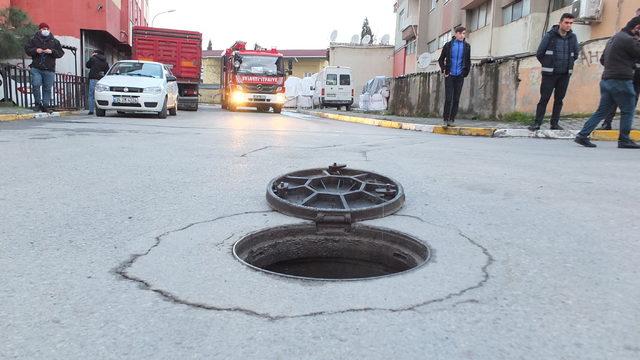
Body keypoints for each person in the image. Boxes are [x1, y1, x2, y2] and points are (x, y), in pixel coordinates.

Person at [575, 16, 640, 149]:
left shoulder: (614, 38)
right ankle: (624, 140)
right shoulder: (628, 40)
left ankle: (582, 135)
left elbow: (603, 60)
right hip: (621, 81)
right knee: (628, 110)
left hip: (606, 80)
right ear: (637, 28)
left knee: (602, 111)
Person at [528, 13, 579, 131]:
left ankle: (554, 124)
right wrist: (547, 65)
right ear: (560, 22)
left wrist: (568, 66)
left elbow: (575, 54)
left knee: (559, 100)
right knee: (544, 99)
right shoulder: (550, 35)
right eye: (566, 22)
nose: (568, 25)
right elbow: (540, 53)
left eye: (571, 23)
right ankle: (537, 124)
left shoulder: (573, 37)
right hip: (549, 75)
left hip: (565, 74)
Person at [599, 7, 640, 130]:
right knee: (614, 100)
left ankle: (625, 129)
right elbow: (605, 57)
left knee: (632, 102)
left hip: (637, 75)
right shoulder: (625, 35)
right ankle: (607, 123)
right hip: (623, 74)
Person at [24, 23, 64, 113]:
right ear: (39, 30)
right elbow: (27, 49)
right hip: (36, 67)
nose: (45, 30)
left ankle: (45, 106)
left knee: (47, 88)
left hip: (49, 69)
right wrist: (35, 50)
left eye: (46, 28)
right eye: (43, 29)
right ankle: (37, 104)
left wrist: (52, 51)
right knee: (36, 84)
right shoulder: (33, 40)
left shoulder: (55, 41)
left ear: (49, 30)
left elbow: (61, 53)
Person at [438, 26, 471, 127]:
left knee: (456, 99)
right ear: (456, 34)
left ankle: (451, 120)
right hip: (450, 75)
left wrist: (465, 73)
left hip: (459, 76)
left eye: (464, 33)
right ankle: (445, 120)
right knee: (448, 98)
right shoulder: (448, 45)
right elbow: (441, 59)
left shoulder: (467, 46)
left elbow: (468, 61)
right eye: (461, 33)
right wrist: (444, 70)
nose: (462, 35)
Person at [86, 50, 110, 115]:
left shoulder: (93, 58)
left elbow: (87, 65)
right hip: (101, 80)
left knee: (91, 95)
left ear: (96, 53)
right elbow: (107, 72)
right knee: (99, 94)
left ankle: (91, 110)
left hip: (93, 78)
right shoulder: (105, 62)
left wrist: (92, 58)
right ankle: (100, 108)